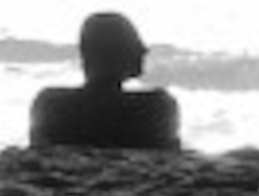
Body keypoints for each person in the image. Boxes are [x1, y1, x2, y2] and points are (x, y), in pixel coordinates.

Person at [29, 10, 183, 152]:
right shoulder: (156, 107)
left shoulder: (50, 104)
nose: (143, 49)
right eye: (133, 41)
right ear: (114, 52)